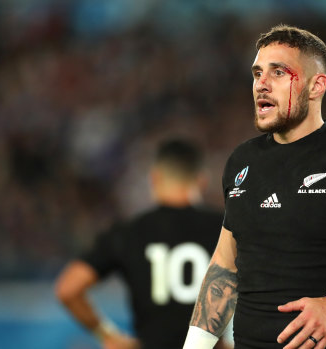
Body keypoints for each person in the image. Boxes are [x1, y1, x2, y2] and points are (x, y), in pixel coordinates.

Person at [182, 24, 326, 349]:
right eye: (257, 73)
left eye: (278, 73)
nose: (261, 84)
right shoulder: (241, 161)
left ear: (316, 85)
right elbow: (225, 268)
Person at [54, 139, 230, 349]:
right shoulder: (227, 229)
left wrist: (107, 335)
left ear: (154, 178)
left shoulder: (129, 232)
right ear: (201, 180)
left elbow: (68, 288)